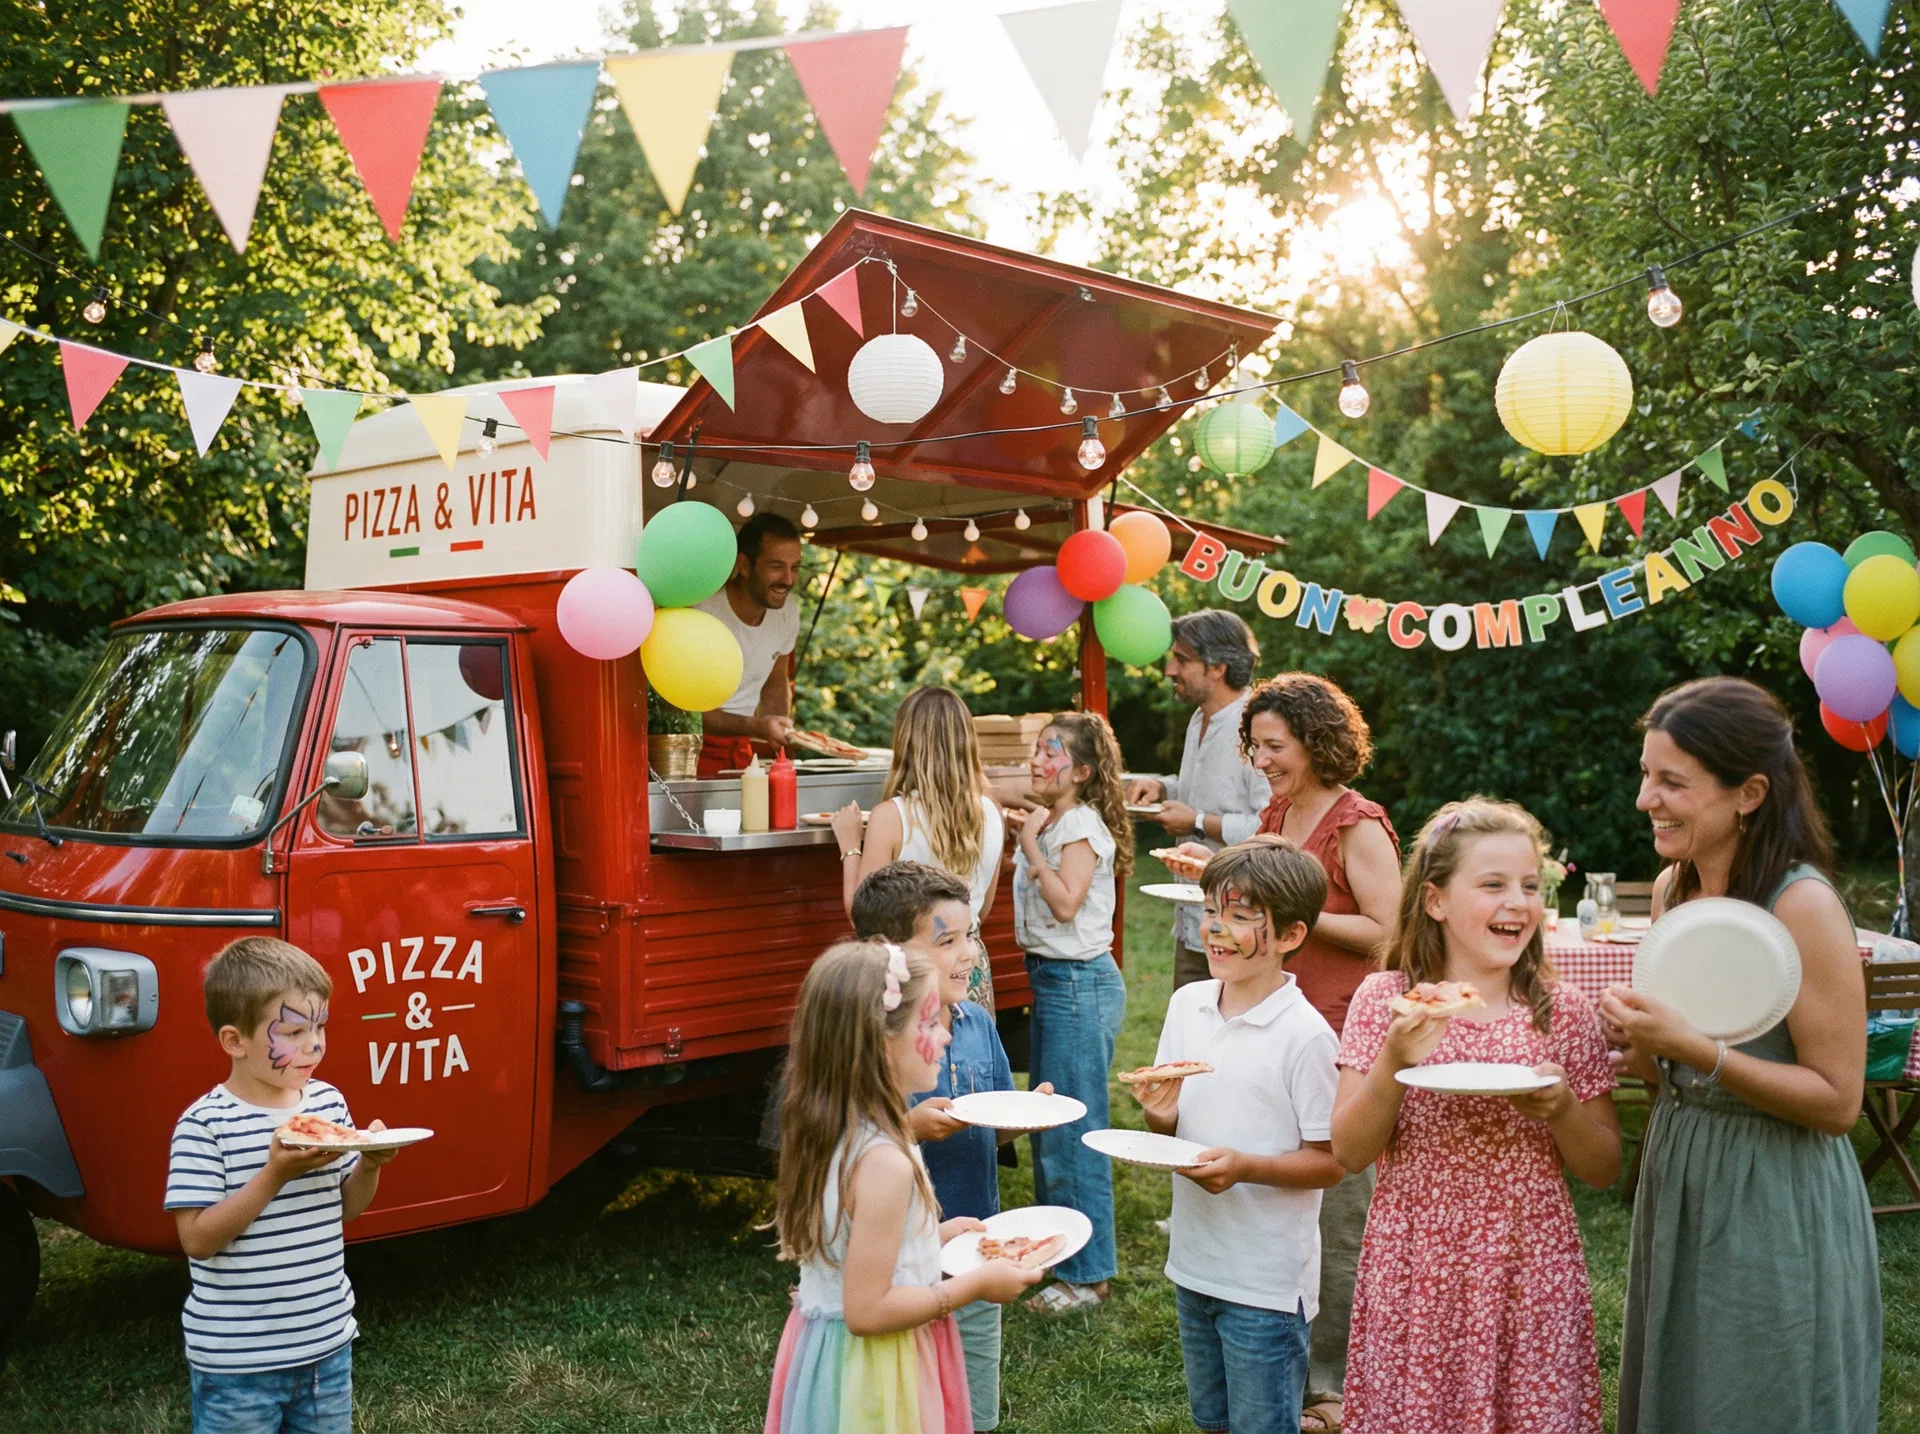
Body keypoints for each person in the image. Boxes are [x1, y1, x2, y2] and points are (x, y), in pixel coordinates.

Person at [1602, 677, 1881, 1434]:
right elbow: (1671, 1076)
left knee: (1758, 1395)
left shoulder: (1801, 905)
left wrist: (1694, 1049)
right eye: (1646, 775)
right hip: (1682, 1167)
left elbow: (1837, 1103)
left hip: (1773, 1191)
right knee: (1684, 1386)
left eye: (1672, 782)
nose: (1646, 800)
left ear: (1749, 793)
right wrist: (1642, 1048)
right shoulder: (1674, 890)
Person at [1331, 799, 1621, 1434]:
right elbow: (1349, 1152)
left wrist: (1563, 1108)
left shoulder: (1561, 1012)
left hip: (1529, 1265)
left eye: (1529, 886)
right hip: (1418, 1264)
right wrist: (1394, 1059)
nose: (1517, 902)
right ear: (1435, 900)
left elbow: (1603, 1166)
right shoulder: (1389, 1000)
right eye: (1492, 885)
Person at [1170, 671, 1401, 1428]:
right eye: (1256, 746)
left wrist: (1297, 913)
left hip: (1336, 1029)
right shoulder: (1279, 810)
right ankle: (1277, 1353)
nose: (1262, 760)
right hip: (1266, 1014)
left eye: (1275, 746)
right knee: (1278, 1195)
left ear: (1317, 742)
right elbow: (1253, 888)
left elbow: (1391, 932)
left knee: (1336, 1213)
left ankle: (1327, 1383)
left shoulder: (1357, 823)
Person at [765, 941, 1040, 1433]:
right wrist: (975, 1286)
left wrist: (933, 1237)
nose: (947, 1036)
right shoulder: (884, 1162)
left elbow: (853, 1246)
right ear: (880, 1044)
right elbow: (868, 1310)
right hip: (875, 1373)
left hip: (833, 1357)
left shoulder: (838, 1129)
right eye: (929, 1024)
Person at [1130, 836, 1345, 1434]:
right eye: (1209, 911)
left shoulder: (1306, 1037)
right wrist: (1159, 1115)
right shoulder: (1187, 1004)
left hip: (1266, 1285)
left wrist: (1245, 1167)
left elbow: (1331, 1163)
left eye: (1242, 917)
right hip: (1194, 1262)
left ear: (1291, 935)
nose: (1216, 929)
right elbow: (1169, 1126)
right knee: (1213, 1419)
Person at [165, 937, 405, 1434]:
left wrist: (370, 1165)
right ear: (235, 1041)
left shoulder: (328, 1104)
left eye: (320, 1026)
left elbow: (344, 1210)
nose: (314, 1044)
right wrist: (274, 1175)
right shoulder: (205, 1125)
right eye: (294, 1031)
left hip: (326, 1348)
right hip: (238, 1364)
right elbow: (197, 1239)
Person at [852, 861, 1053, 1434]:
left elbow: (994, 1125)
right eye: (948, 941)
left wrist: (1026, 1118)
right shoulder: (869, 1044)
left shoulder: (975, 1024)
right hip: (894, 1263)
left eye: (971, 935)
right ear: (889, 952)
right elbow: (843, 1146)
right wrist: (910, 1126)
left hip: (974, 1243)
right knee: (905, 1405)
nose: (969, 953)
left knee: (970, 1406)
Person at [1010, 711, 1132, 1313]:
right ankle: (1067, 1260)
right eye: (1037, 749)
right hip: (1056, 983)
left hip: (1079, 987)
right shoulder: (1055, 817)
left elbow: (1064, 905)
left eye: (1050, 752)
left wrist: (1030, 843)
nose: (1037, 761)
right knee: (1049, 1127)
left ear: (1081, 772)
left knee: (1071, 1134)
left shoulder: (1078, 826)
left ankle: (1088, 1278)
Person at [1124, 610, 1274, 990]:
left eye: (1182, 659)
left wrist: (1196, 822)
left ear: (1218, 667)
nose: (1169, 670)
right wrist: (1162, 789)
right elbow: (1208, 791)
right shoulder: (1199, 717)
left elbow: (1271, 826)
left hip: (1240, 925)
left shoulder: (1258, 727)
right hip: (1194, 920)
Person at [836, 686, 1005, 1010]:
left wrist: (850, 846)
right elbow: (981, 911)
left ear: (906, 743)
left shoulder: (890, 816)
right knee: (971, 1043)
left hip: (913, 975)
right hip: (969, 970)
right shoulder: (992, 812)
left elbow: (862, 916)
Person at [695, 512, 804, 778]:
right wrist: (757, 727)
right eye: (776, 566)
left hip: (743, 751)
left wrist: (781, 744)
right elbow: (684, 710)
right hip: (691, 750)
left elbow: (775, 685)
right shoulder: (701, 610)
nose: (788, 580)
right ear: (744, 565)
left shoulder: (788, 612)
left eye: (795, 568)